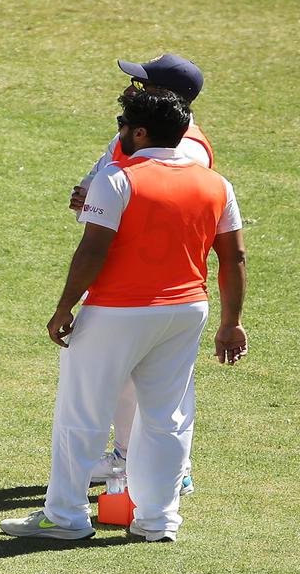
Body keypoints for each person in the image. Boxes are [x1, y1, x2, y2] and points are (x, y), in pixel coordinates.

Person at [2, 89, 247, 542]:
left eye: (122, 127)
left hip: (118, 309)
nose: (119, 135)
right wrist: (230, 322)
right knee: (167, 416)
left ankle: (66, 516)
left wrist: (63, 307)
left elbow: (93, 249)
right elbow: (233, 259)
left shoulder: (118, 177)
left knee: (82, 411)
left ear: (139, 131)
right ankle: (158, 521)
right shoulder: (217, 183)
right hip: (186, 310)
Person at [69, 54, 212, 492]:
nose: (130, 87)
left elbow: (163, 207)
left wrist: (101, 199)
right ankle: (128, 458)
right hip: (127, 272)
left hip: (160, 281)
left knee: (160, 387)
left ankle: (171, 470)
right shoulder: (137, 130)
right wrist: (91, 197)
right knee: (130, 381)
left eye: (139, 82)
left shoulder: (185, 148)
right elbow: (97, 185)